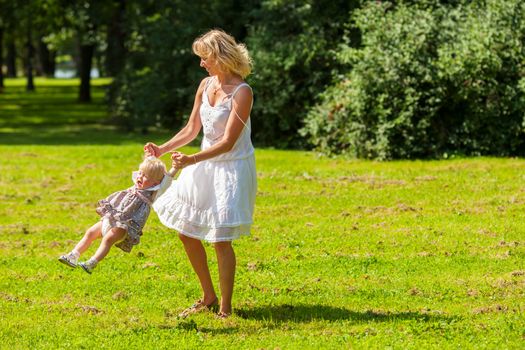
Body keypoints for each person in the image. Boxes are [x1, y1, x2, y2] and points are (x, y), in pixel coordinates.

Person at [144, 29, 256, 319]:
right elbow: (192, 129)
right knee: (186, 231)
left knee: (220, 238)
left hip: (230, 168)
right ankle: (208, 295)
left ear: (220, 56)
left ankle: (225, 309)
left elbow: (228, 142)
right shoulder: (206, 84)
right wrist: (162, 149)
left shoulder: (242, 92)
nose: (202, 64)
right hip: (202, 164)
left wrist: (192, 159)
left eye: (205, 58)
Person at [58, 157, 177, 274]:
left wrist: (175, 167)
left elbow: (166, 181)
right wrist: (149, 154)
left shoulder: (153, 192)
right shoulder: (136, 184)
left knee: (108, 239)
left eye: (145, 176)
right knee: (90, 232)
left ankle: (92, 262)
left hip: (125, 225)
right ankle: (73, 255)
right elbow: (146, 165)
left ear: (156, 183)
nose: (140, 177)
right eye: (140, 173)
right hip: (111, 217)